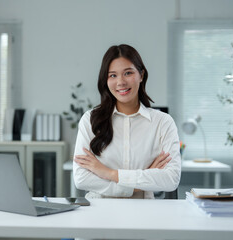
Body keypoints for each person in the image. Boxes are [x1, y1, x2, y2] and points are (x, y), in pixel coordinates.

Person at [73, 44, 181, 199]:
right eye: (112, 75)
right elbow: (81, 179)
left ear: (141, 75)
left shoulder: (162, 122)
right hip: (98, 214)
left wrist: (107, 173)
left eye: (128, 73)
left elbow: (171, 179)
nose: (121, 82)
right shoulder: (90, 120)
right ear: (106, 80)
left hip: (145, 215)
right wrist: (138, 185)